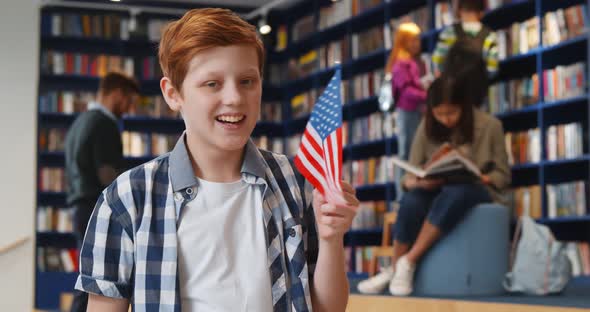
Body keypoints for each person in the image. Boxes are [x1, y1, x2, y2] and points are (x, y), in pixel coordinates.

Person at [74, 8, 360, 312]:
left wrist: (331, 239)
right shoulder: (127, 199)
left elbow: (329, 308)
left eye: (247, 81)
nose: (235, 98)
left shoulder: (295, 183)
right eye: (212, 84)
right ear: (173, 94)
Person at [358, 50, 510, 296]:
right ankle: (398, 268)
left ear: (465, 106)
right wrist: (418, 182)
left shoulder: (491, 126)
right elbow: (408, 177)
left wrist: (484, 177)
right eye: (439, 113)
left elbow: (504, 175)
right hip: (434, 189)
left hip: (475, 189)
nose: (446, 119)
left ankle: (407, 261)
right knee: (412, 199)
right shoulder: (426, 127)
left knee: (459, 191)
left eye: (452, 113)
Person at [64, 72, 139, 312]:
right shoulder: (104, 124)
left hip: (79, 207)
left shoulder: (80, 122)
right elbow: (108, 175)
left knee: (88, 278)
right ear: (117, 93)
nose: (129, 108)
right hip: (95, 208)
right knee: (96, 283)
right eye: (128, 100)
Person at [384, 22, 431, 200]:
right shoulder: (400, 64)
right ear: (404, 41)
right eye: (413, 40)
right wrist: (426, 94)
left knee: (416, 153)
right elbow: (407, 92)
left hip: (416, 111)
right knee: (405, 154)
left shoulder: (412, 62)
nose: (417, 43)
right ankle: (401, 195)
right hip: (408, 111)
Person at [432, 0, 499, 76]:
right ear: (482, 11)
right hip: (478, 85)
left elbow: (436, 62)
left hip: (453, 85)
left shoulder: (449, 33)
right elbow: (492, 69)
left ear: (458, 9)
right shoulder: (490, 36)